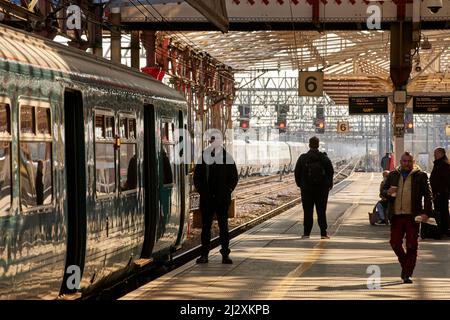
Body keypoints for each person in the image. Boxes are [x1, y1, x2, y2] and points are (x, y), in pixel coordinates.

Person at [382, 151, 432, 284]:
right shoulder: (393, 175)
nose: (407, 163)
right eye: (404, 161)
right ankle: (405, 265)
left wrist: (426, 212)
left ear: (413, 162)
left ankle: (407, 274)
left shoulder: (420, 176)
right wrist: (387, 192)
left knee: (411, 245)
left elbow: (428, 195)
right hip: (396, 215)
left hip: (412, 216)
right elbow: (383, 191)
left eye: (409, 161)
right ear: (400, 162)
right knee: (395, 243)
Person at [193, 134, 239, 264]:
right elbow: (197, 177)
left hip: (222, 199)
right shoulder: (204, 157)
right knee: (206, 228)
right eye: (212, 141)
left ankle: (225, 254)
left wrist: (228, 191)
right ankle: (204, 255)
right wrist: (202, 191)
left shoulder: (227, 157)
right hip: (207, 199)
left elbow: (234, 177)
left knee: (223, 228)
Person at [294, 136, 334, 239]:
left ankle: (306, 233)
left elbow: (297, 172)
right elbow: (330, 171)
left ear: (309, 144)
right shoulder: (324, 158)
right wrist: (329, 184)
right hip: (322, 190)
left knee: (307, 211)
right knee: (321, 211)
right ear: (318, 144)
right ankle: (323, 233)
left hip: (306, 189)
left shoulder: (303, 158)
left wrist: (300, 184)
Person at [430, 147, 450, 238]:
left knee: (442, 211)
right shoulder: (440, 163)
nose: (434, 155)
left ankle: (444, 229)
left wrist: (439, 191)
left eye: (436, 153)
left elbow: (445, 180)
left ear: (441, 153)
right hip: (438, 193)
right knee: (440, 211)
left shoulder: (444, 164)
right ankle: (443, 229)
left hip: (441, 193)